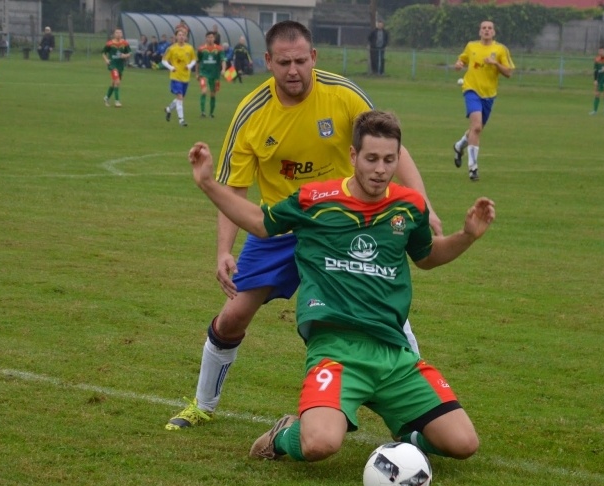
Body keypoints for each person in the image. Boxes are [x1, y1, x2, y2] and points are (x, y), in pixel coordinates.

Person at [165, 20, 442, 431]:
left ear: (313, 57)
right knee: (233, 316)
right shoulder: (252, 114)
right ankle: (202, 404)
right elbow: (234, 189)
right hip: (279, 225)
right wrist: (224, 250)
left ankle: (419, 414)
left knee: (383, 310)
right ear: (267, 62)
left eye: (300, 61)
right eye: (283, 62)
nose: (293, 70)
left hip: (342, 225)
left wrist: (424, 206)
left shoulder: (344, 95)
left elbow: (390, 149)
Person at [187, 110, 494, 464]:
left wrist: (467, 236)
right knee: (320, 444)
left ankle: (409, 441)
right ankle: (283, 434)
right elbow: (259, 223)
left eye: (389, 159)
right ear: (353, 157)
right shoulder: (314, 200)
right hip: (336, 352)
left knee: (463, 443)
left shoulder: (408, 206)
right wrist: (208, 184)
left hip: (393, 353)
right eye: (372, 158)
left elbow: (426, 257)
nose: (380, 168)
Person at [452, 20, 514, 182]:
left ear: (494, 32)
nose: (486, 30)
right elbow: (462, 60)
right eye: (484, 28)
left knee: (475, 129)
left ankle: (459, 146)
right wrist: (459, 64)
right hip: (471, 90)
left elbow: (509, 72)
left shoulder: (500, 49)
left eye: (490, 28)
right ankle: (473, 167)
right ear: (479, 32)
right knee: (477, 127)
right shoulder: (471, 46)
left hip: (489, 95)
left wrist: (495, 63)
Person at [162, 29, 196, 127]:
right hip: (175, 77)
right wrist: (171, 67)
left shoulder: (190, 48)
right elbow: (164, 60)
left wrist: (189, 66)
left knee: (180, 98)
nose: (181, 37)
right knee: (180, 97)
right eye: (179, 35)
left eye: (183, 35)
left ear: (185, 37)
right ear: (176, 37)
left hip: (186, 77)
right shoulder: (171, 49)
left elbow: (194, 60)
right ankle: (181, 120)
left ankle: (169, 109)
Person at [197, 31, 226, 118]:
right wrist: (197, 73)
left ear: (214, 38)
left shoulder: (219, 49)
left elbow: (223, 60)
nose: (210, 39)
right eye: (209, 37)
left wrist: (223, 69)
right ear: (206, 38)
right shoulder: (201, 49)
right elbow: (198, 62)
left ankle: (211, 113)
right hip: (204, 74)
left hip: (214, 75)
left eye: (212, 37)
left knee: (213, 94)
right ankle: (202, 112)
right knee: (204, 91)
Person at [101, 28, 131, 108]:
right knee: (117, 82)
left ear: (122, 34)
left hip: (120, 65)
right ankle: (117, 101)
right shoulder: (110, 43)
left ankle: (106, 98)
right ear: (114, 34)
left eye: (120, 32)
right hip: (112, 65)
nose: (118, 34)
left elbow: (129, 52)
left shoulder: (125, 43)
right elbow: (103, 53)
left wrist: (125, 55)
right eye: (117, 33)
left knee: (113, 83)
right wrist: (106, 60)